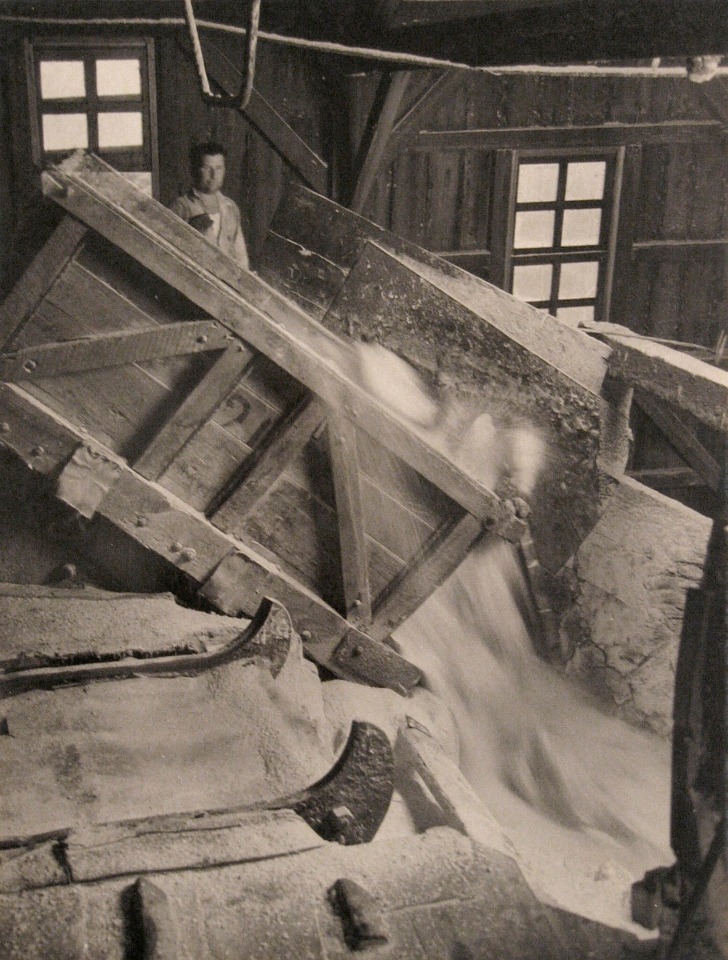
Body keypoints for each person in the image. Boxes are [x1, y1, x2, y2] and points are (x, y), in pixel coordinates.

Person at [170, 141, 249, 269]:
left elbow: (241, 257)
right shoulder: (182, 207)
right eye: (207, 168)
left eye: (219, 168)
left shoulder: (230, 207)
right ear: (195, 170)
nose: (214, 175)